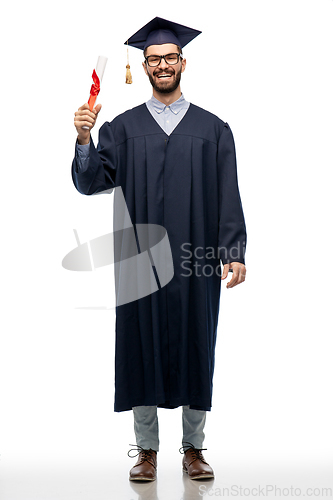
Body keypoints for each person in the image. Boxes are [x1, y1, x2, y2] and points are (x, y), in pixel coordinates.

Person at [72, 17, 247, 482]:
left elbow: (229, 195)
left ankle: (193, 448)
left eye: (170, 57)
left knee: (196, 344)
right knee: (139, 345)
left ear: (183, 63)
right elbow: (91, 182)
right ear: (143, 67)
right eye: (154, 59)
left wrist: (234, 251)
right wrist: (85, 140)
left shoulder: (213, 130)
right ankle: (146, 450)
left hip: (197, 259)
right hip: (138, 259)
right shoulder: (122, 129)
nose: (163, 65)